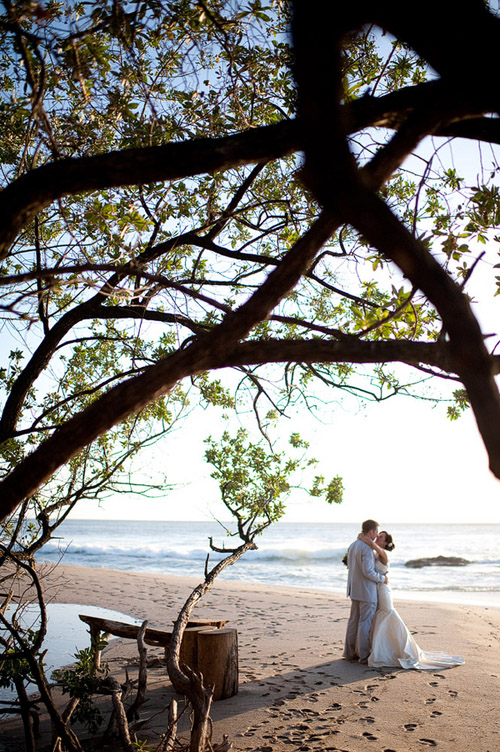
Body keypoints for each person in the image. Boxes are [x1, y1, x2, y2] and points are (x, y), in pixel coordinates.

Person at [358, 530, 465, 670]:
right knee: (381, 616)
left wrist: (362, 537)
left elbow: (372, 545)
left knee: (388, 613)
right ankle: (382, 648)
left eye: (381, 536)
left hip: (383, 589)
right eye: (378, 535)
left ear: (385, 542)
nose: (378, 537)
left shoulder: (384, 553)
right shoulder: (375, 553)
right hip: (376, 588)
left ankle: (395, 650)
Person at [343, 519, 388, 664]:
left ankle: (349, 653)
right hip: (367, 591)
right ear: (371, 532)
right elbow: (368, 572)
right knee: (365, 623)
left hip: (354, 589)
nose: (376, 535)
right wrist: (382, 578)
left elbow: (351, 567)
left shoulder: (353, 545)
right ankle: (363, 656)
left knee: (353, 622)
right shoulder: (367, 549)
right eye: (376, 532)